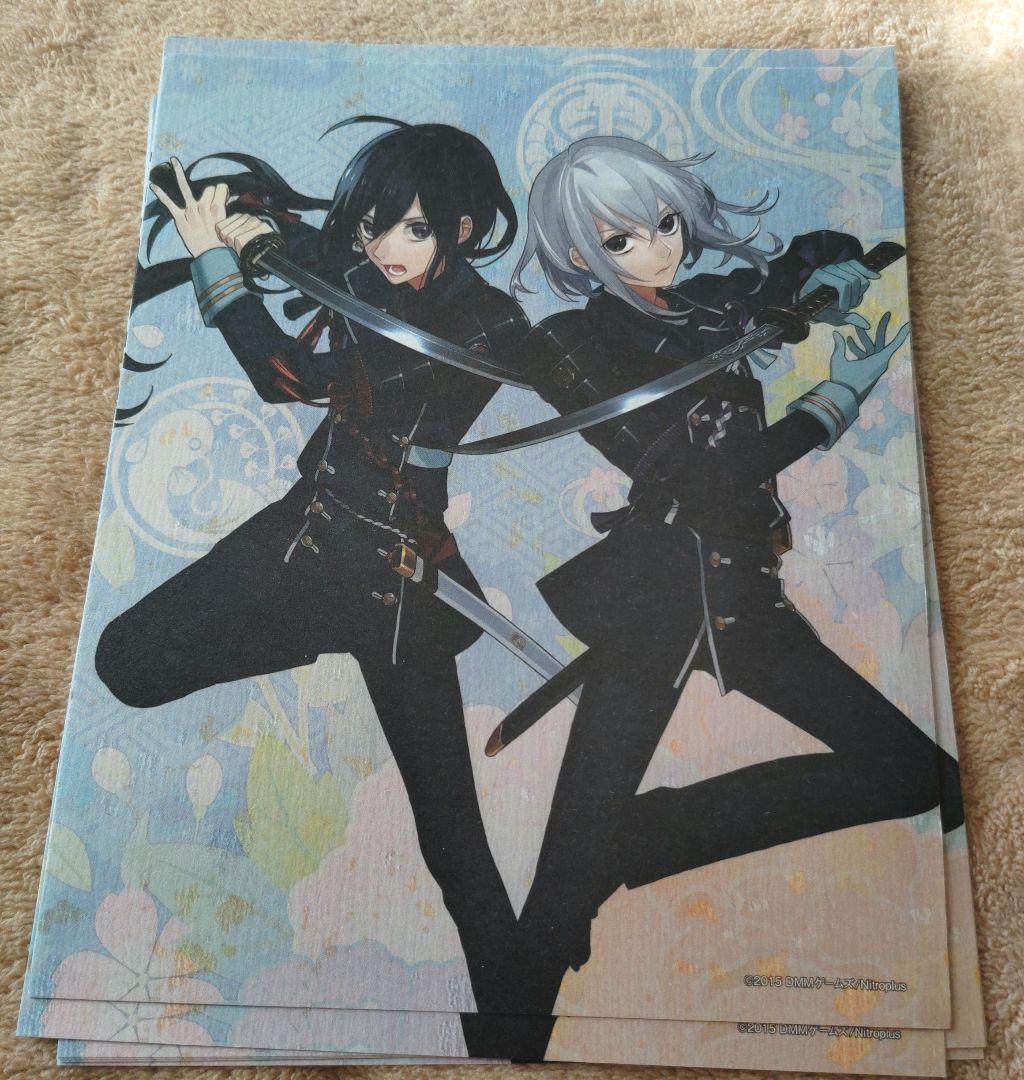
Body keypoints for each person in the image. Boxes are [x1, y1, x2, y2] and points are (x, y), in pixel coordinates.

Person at [95, 119, 539, 1052]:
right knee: (124, 662)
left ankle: (515, 1026)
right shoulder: (377, 270)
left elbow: (291, 377)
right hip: (306, 531)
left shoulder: (483, 321)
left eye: (413, 228)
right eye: (375, 225)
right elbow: (337, 261)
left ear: (461, 230)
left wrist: (218, 263)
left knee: (450, 831)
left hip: (397, 582)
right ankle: (307, 632)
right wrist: (268, 235)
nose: (384, 249)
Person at [505, 136, 964, 1008]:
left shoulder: (710, 304)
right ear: (578, 255)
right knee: (555, 906)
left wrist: (839, 274)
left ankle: (637, 839)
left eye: (665, 223)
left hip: (745, 597)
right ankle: (534, 983)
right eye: (620, 240)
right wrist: (834, 400)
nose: (658, 249)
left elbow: (804, 260)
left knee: (916, 775)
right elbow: (704, 479)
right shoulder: (573, 345)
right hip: (655, 600)